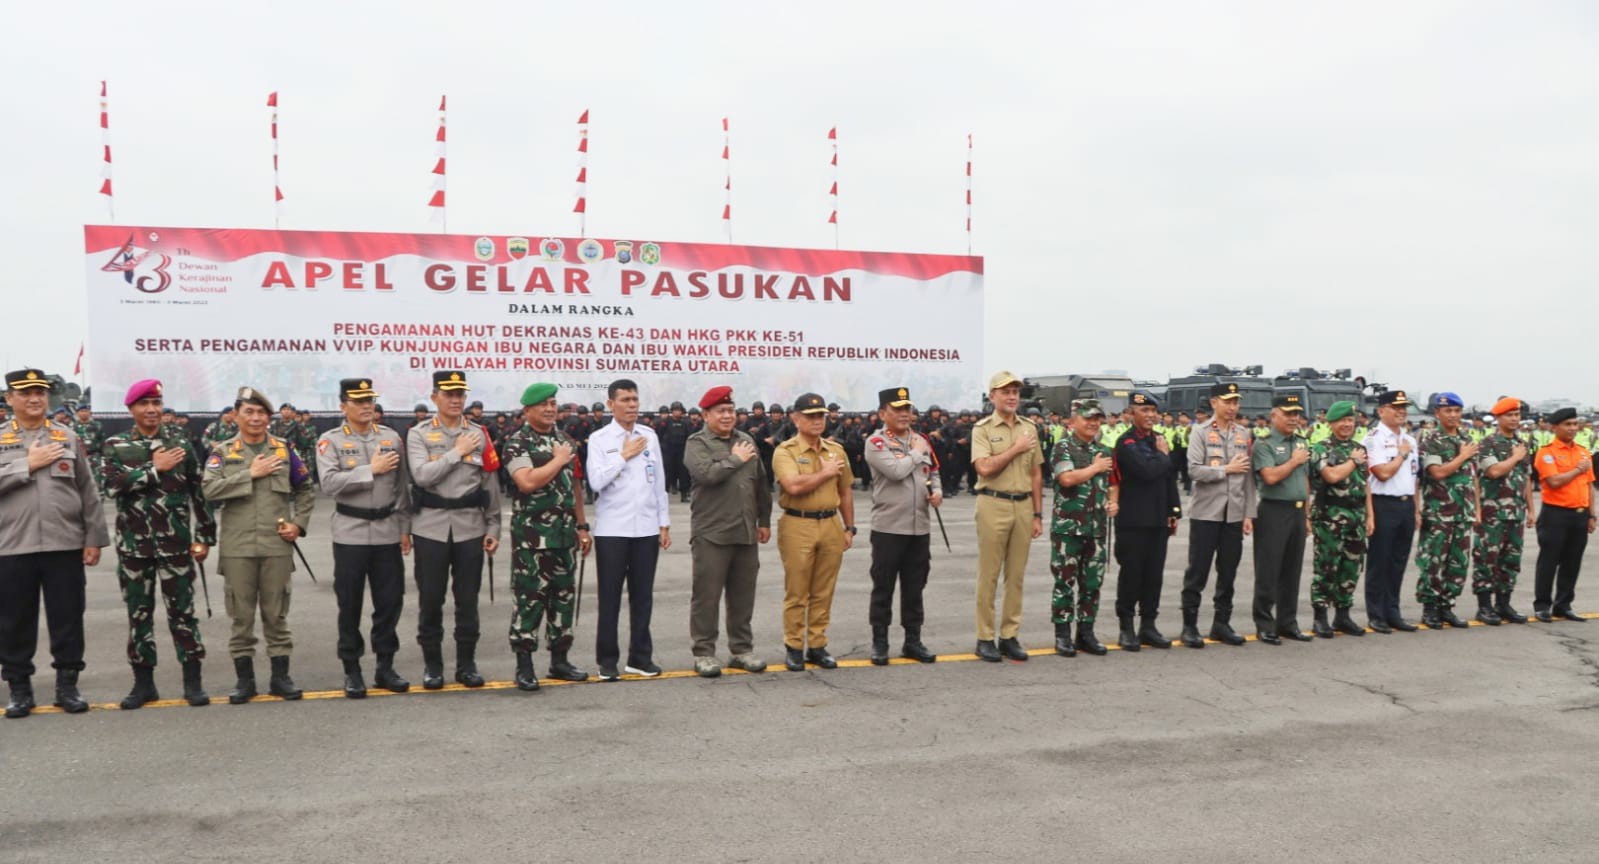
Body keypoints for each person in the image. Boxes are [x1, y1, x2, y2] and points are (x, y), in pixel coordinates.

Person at [0, 369, 110, 719]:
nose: (35, 398)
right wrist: (25, 465)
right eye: (27, 392)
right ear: (9, 399)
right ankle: (19, 688)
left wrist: (93, 538)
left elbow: (87, 491)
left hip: (64, 544)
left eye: (41, 392)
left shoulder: (67, 436)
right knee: (14, 620)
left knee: (67, 616)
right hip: (12, 546)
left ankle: (67, 685)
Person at [102, 378, 217, 709]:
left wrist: (205, 536)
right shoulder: (116, 444)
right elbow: (111, 485)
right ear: (131, 409)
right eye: (144, 404)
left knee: (183, 613)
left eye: (157, 403)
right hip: (134, 547)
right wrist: (154, 469)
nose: (152, 410)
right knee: (139, 615)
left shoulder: (181, 442)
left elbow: (199, 490)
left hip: (175, 545)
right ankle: (143, 684)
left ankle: (192, 682)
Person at [201, 386, 315, 704]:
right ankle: (245, 681)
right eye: (248, 412)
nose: (255, 418)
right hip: (237, 548)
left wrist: (299, 524)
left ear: (269, 417)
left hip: (276, 545)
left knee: (277, 614)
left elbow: (305, 488)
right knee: (241, 616)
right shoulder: (222, 452)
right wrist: (249, 474)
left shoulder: (283, 450)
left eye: (261, 412)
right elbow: (208, 490)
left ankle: (281, 678)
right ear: (235, 415)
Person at [316, 378, 412, 699]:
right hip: (350, 533)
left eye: (369, 399)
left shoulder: (391, 438)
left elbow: (401, 488)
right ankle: (352, 669)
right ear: (343, 406)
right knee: (350, 604)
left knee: (389, 603)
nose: (366, 405)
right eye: (358, 401)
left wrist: (404, 527)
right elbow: (328, 484)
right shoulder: (329, 442)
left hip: (386, 530)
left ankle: (385, 667)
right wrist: (370, 469)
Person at [407, 371, 502, 690]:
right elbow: (422, 476)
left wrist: (495, 525)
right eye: (449, 394)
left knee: (467, 599)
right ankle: (433, 665)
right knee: (431, 599)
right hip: (430, 528)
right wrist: (456, 452)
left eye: (460, 393)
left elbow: (489, 483)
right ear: (435, 397)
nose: (456, 399)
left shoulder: (480, 433)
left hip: (470, 527)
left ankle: (467, 664)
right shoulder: (418, 434)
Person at [503, 382, 591, 689]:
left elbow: (576, 486)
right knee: (530, 599)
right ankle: (524, 664)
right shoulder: (518, 443)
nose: (550, 409)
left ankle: (560, 660)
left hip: (565, 536)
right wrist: (557, 460)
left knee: (563, 598)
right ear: (528, 410)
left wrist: (582, 527)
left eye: (553, 403)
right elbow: (526, 482)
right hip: (532, 539)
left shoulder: (566, 440)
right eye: (543, 404)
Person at [585, 379, 670, 681]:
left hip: (646, 528)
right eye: (625, 400)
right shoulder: (599, 438)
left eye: (635, 399)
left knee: (642, 596)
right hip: (613, 529)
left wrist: (664, 522)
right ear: (611, 404)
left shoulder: (649, 435)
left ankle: (640, 658)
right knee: (609, 597)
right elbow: (595, 481)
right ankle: (607, 661)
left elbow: (658, 482)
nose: (632, 405)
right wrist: (624, 455)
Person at [684, 386, 772, 677]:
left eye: (731, 411)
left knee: (743, 595)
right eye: (720, 411)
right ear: (706, 415)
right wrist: (735, 459)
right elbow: (706, 475)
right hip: (712, 533)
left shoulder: (746, 440)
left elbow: (761, 484)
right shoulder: (697, 443)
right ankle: (704, 652)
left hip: (745, 531)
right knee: (706, 596)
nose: (727, 416)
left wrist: (764, 521)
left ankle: (741, 649)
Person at [772, 393, 855, 671]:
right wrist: (825, 472)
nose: (817, 420)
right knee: (797, 591)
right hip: (798, 523)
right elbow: (793, 486)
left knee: (823, 590)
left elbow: (845, 490)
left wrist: (849, 527)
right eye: (810, 416)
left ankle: (817, 645)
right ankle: (794, 646)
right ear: (795, 419)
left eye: (820, 415)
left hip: (830, 523)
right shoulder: (786, 451)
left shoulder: (835, 450)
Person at [862, 387, 941, 665]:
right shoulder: (877, 442)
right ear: (883, 413)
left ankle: (913, 640)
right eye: (897, 409)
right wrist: (917, 453)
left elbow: (933, 471)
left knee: (915, 586)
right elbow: (896, 472)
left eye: (907, 409)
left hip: (919, 527)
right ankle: (880, 642)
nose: (904, 414)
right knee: (883, 586)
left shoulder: (920, 440)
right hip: (888, 528)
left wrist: (938, 492)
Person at [969, 372, 1043, 661]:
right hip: (993, 503)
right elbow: (984, 468)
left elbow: (1036, 473)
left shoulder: (1029, 428)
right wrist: (1016, 449)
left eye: (1015, 392)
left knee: (1016, 576)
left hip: (1023, 505)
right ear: (992, 397)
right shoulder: (983, 429)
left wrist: (1038, 514)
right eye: (1005, 392)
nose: (1012, 397)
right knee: (988, 575)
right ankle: (985, 636)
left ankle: (1009, 635)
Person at [1180, 382, 1256, 648]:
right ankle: (1189, 626)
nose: (1233, 407)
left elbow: (1247, 477)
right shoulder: (1199, 432)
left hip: (1233, 514)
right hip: (1206, 514)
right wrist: (1226, 469)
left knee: (1228, 572)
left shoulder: (1243, 433)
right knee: (1197, 571)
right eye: (1228, 402)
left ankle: (1221, 623)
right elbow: (1194, 470)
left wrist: (1248, 513)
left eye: (1236, 402)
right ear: (1214, 403)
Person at [1047, 399, 1117, 657]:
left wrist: (1113, 502)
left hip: (1096, 528)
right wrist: (1095, 467)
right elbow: (1066, 478)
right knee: (1065, 581)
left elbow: (1111, 483)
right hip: (1069, 528)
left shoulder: (1104, 450)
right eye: (1088, 418)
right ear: (1074, 421)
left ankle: (1086, 633)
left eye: (1097, 418)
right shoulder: (1063, 448)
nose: (1093, 423)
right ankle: (1063, 635)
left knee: (1092, 583)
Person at [1112, 391, 1181, 651]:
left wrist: (1173, 511)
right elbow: (1146, 470)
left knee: (1154, 575)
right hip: (1133, 521)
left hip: (1157, 519)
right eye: (1144, 411)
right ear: (1131, 414)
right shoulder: (1126, 442)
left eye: (1153, 411)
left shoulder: (1159, 440)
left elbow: (1168, 478)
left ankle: (1149, 625)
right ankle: (1127, 627)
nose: (1150, 416)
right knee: (1131, 574)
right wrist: (1163, 456)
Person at [1414, 392, 1480, 629]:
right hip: (1440, 512)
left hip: (1464, 512)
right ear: (1438, 414)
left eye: (1457, 411)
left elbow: (1473, 478)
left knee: (1458, 563)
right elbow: (1438, 472)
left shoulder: (1467, 438)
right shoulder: (1432, 440)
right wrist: (1463, 456)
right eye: (1448, 411)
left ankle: (1447, 606)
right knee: (1433, 562)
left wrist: (1477, 509)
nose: (1453, 415)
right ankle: (1430, 608)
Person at [1251, 394, 1312, 644]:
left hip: (1297, 511)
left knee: (1292, 570)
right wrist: (1294, 461)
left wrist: (1306, 515)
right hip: (1274, 511)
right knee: (1269, 569)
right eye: (1288, 413)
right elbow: (1270, 477)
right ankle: (1265, 623)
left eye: (1296, 414)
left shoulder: (1301, 441)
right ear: (1274, 414)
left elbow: (1305, 481)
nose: (1293, 418)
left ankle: (1288, 622)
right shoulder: (1263, 443)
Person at [1308, 400, 1370, 638]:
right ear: (1332, 423)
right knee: (1326, 567)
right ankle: (1320, 616)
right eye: (1342, 420)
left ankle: (1343, 615)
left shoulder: (1358, 448)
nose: (1347, 424)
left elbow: (1366, 486)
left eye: (1350, 420)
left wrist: (1369, 516)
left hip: (1356, 516)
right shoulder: (1322, 448)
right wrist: (1353, 462)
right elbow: (1331, 476)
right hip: (1331, 517)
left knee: (1351, 567)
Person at [1471, 396, 1535, 625]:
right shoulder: (1488, 443)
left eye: (1517, 415)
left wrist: (1531, 509)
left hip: (1515, 512)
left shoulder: (1522, 443)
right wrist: (1515, 457)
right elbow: (1493, 472)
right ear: (1498, 418)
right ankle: (1485, 607)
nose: (1515, 419)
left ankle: (1504, 603)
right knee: (1487, 559)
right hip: (1492, 512)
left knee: (1511, 560)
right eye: (1510, 415)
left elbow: (1526, 478)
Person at [1362, 390, 1421, 633]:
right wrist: (1401, 454)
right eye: (1395, 407)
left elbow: (1415, 478)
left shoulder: (1411, 439)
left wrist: (1416, 509)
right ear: (1381, 410)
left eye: (1403, 407)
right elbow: (1382, 473)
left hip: (1406, 504)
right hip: (1383, 504)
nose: (1401, 411)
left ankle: (1393, 611)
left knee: (1398, 562)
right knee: (1380, 561)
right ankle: (1376, 614)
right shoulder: (1373, 438)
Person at [1531, 407, 1596, 622]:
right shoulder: (1546, 452)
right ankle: (1542, 605)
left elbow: (1589, 485)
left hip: (1579, 514)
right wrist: (1577, 469)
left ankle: (1564, 604)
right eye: (1567, 424)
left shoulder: (1583, 451)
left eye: (1575, 424)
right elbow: (1554, 481)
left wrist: (1592, 514)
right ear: (1554, 427)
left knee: (1572, 561)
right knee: (1549, 561)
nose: (1572, 428)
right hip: (1555, 514)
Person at [659, 401, 693, 503]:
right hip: (669, 451)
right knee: (667, 473)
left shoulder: (685, 423)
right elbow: (660, 435)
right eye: (674, 410)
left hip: (681, 450)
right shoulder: (666, 422)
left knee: (683, 473)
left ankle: (684, 495)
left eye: (678, 410)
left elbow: (689, 436)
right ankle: (663, 495)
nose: (676, 412)